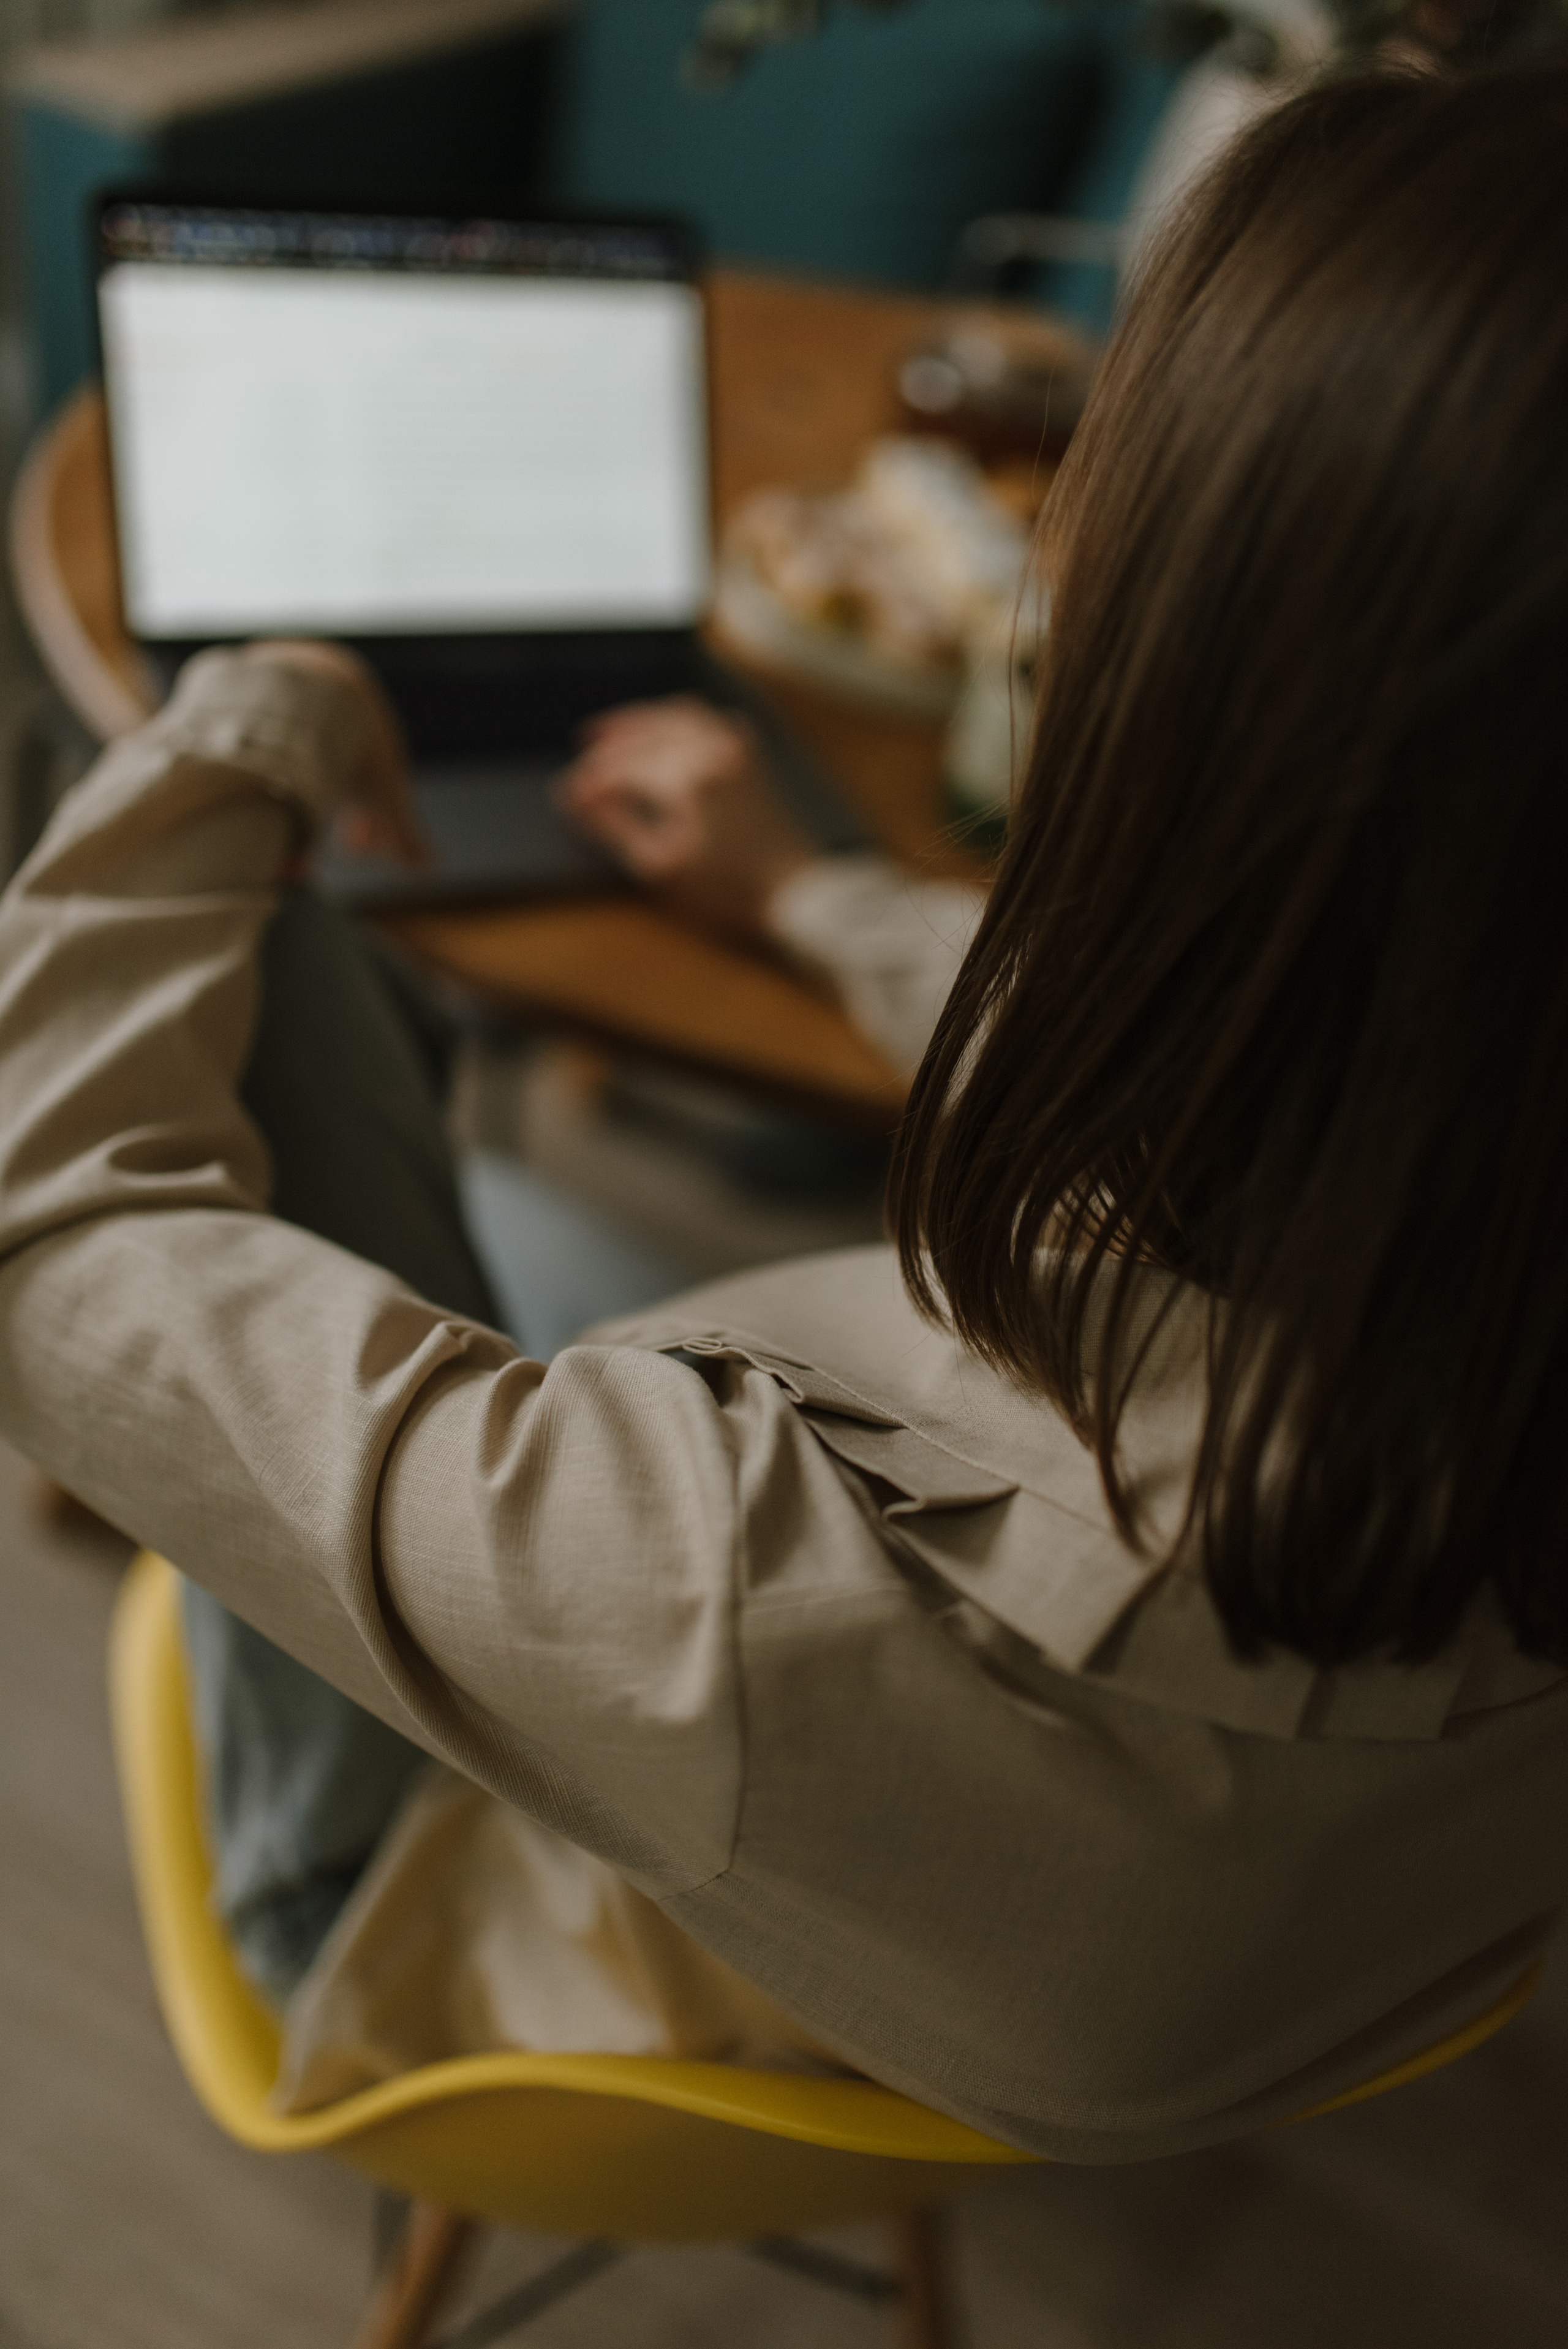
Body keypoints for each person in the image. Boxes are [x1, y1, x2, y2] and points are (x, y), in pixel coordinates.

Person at [2, 58, 1567, 2163]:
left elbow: (43, 1234)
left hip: (483, 1935)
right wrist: (813, 898)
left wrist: (257, 712)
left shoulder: (735, 1574)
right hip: (1100, 1971)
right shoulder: (1478, 1190)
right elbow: (1338, 1067)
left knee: (250, 961)